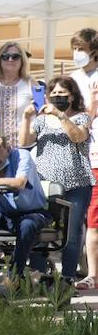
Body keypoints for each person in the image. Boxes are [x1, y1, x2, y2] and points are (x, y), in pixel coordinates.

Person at [20, 75, 92, 283]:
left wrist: (60, 115)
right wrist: (26, 118)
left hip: (76, 183)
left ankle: (68, 277)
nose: (58, 97)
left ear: (73, 96)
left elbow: (77, 136)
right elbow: (24, 142)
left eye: (63, 93)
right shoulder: (41, 120)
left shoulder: (81, 117)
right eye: (54, 94)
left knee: (72, 231)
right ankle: (38, 275)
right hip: (46, 184)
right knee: (39, 228)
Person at [0, 131, 51, 287]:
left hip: (30, 212)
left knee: (28, 224)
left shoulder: (21, 155)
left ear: (8, 148)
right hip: (0, 214)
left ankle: (14, 276)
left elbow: (19, 182)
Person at [70, 28, 98, 290]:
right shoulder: (72, 79)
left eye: (82, 49)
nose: (77, 54)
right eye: (74, 48)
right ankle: (87, 271)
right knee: (85, 217)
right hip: (81, 156)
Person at [0, 41, 33, 149]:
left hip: (24, 146)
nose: (10, 60)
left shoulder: (33, 84)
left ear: (22, 60)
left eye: (15, 56)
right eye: (5, 56)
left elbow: (42, 115)